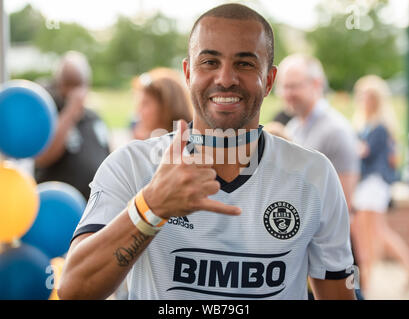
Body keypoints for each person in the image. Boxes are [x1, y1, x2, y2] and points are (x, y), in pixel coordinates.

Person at [59, 4, 356, 300]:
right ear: (188, 72)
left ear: (268, 80)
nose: (225, 78)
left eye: (245, 64)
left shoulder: (313, 175)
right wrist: (151, 207)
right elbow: (74, 288)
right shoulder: (132, 165)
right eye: (210, 62)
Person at [273, 54, 364, 298]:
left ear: (316, 85)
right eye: (283, 86)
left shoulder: (335, 130)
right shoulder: (295, 126)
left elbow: (343, 203)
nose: (286, 93)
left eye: (293, 86)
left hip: (329, 253)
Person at [351, 74, 409, 294]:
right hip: (366, 185)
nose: (364, 99)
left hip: (373, 185)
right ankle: (367, 277)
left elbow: (364, 154)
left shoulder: (380, 128)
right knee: (372, 232)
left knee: (374, 232)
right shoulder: (365, 124)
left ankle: (367, 280)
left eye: (369, 96)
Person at [35, 51, 111, 200]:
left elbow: (108, 156)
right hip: (59, 207)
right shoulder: (50, 113)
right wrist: (70, 112)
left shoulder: (94, 118)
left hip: (93, 207)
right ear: (59, 84)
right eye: (69, 84)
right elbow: (43, 157)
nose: (76, 92)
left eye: (79, 84)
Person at [131, 67, 193, 140]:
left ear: (166, 106)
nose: (138, 111)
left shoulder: (190, 143)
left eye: (145, 104)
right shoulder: (149, 140)